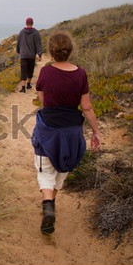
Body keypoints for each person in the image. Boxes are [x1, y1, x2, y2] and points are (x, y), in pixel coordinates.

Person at [31, 31, 101, 234]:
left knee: (44, 169)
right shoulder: (81, 73)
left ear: (51, 52)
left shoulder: (46, 72)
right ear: (70, 51)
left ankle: (48, 206)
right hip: (71, 131)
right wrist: (96, 132)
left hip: (49, 127)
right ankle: (51, 203)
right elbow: (86, 107)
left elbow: (42, 100)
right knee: (61, 169)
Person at [16, 17, 42, 93]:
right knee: (30, 70)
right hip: (31, 55)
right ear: (32, 23)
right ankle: (28, 84)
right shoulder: (36, 33)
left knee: (23, 71)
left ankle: (23, 88)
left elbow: (18, 43)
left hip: (23, 55)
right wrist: (39, 54)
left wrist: (18, 51)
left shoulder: (21, 32)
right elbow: (38, 44)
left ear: (26, 23)